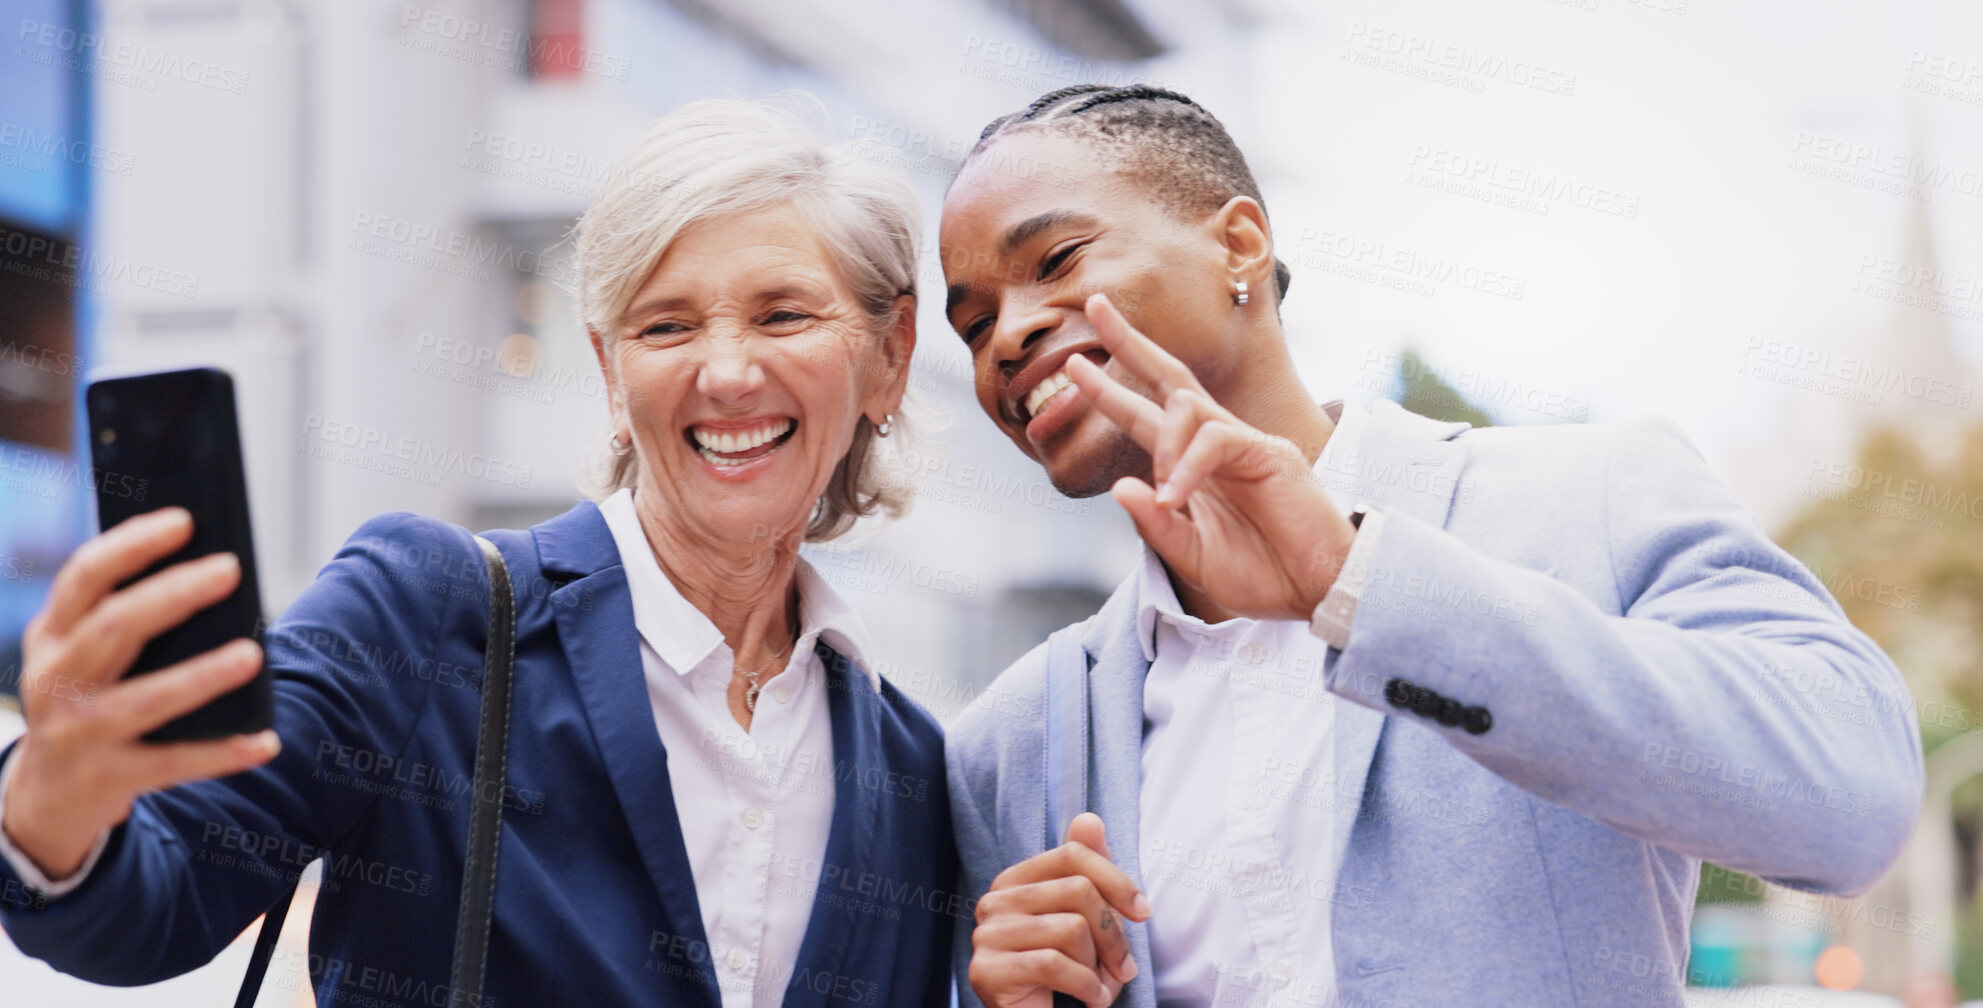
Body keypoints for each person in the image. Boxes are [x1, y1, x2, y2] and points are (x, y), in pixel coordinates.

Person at [940, 84, 1923, 1008]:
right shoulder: (1008, 743)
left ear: (1239, 244)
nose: (1009, 337)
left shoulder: (1593, 500)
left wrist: (1360, 582)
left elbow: (1853, 801)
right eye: (974, 324)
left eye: (1057, 262)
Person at [0, 98, 955, 1007]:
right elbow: (145, 910)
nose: (728, 371)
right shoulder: (426, 614)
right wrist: (51, 801)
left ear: (889, 353)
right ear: (613, 380)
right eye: (665, 326)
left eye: (782, 314)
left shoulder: (912, 767)